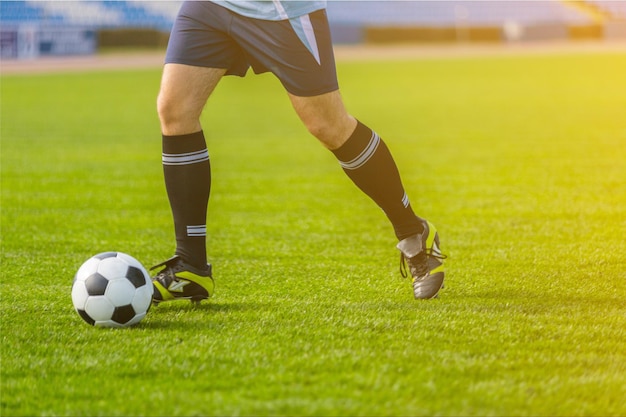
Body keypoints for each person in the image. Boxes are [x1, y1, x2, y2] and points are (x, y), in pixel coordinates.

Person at [151, 0, 445, 303]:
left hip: (280, 9)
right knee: (175, 111)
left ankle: (413, 233)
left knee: (328, 126)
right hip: (212, 5)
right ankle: (191, 266)